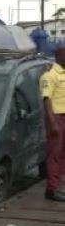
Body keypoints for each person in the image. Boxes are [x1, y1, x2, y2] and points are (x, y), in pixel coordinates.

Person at [40, 46, 65, 202]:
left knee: (63, 154)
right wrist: (53, 123)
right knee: (54, 154)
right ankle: (52, 188)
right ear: (57, 57)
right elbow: (46, 99)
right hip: (56, 117)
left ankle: (58, 184)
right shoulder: (49, 76)